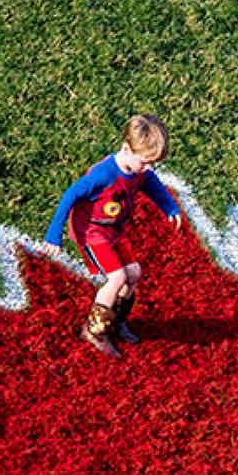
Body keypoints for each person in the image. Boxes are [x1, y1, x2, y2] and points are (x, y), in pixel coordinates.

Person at [44, 114, 183, 355]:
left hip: (113, 231)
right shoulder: (103, 175)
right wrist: (54, 233)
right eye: (145, 162)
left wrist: (169, 206)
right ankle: (94, 331)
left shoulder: (138, 170)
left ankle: (116, 320)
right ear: (126, 148)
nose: (148, 168)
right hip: (92, 232)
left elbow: (151, 183)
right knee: (117, 278)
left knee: (133, 273)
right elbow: (70, 196)